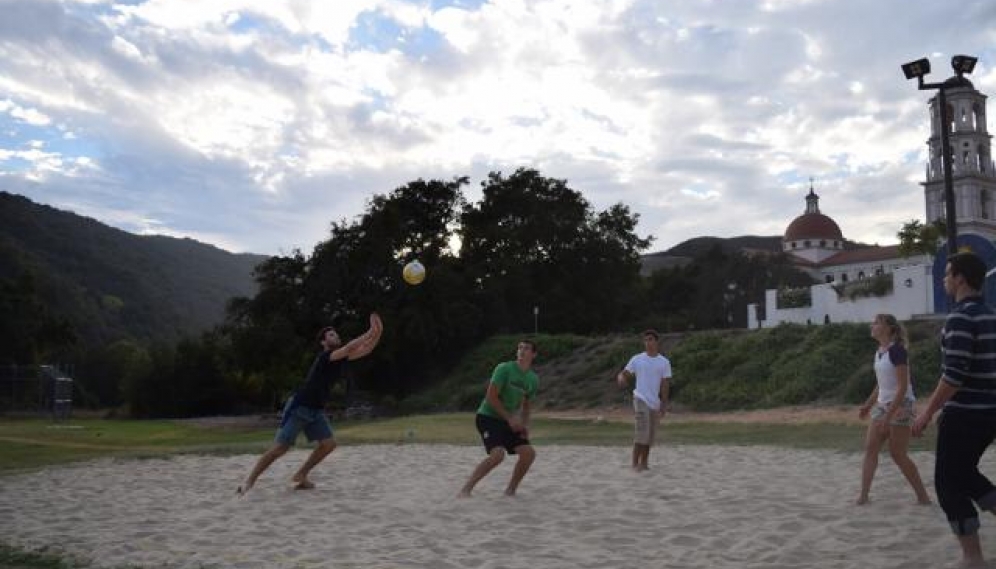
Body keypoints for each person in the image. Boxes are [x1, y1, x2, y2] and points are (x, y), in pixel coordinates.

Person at [237, 313, 383, 496]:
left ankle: (300, 475)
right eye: (331, 335)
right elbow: (350, 347)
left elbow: (366, 350)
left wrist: (378, 333)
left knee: (328, 445)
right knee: (280, 449)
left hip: (316, 410)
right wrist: (370, 331)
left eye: (336, 334)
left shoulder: (340, 358)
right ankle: (249, 482)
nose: (335, 336)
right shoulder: (326, 356)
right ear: (323, 342)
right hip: (300, 407)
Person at [913, 251, 996, 568]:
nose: (944, 280)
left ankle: (972, 558)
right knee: (964, 476)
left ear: (961, 278)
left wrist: (927, 412)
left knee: (948, 485)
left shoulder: (961, 318)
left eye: (947, 274)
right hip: (988, 413)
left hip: (966, 413)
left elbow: (954, 376)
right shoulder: (990, 314)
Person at [855, 313, 931, 505]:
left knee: (897, 454)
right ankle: (863, 496)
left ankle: (923, 496)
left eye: (876, 323)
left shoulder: (897, 351)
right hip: (882, 405)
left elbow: (903, 386)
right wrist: (868, 405)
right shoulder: (879, 351)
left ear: (888, 328)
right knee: (870, 448)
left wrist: (888, 417)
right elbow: (881, 385)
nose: (872, 325)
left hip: (901, 404)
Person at [459, 340, 539, 497]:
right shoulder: (504, 369)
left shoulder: (533, 379)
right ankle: (466, 489)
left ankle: (510, 491)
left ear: (534, 354)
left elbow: (527, 405)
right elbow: (490, 397)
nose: (522, 350)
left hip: (508, 421)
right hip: (487, 417)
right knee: (498, 455)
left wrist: (525, 425)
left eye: (527, 348)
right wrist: (510, 418)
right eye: (520, 347)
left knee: (529, 453)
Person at [617, 329, 671, 472]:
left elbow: (665, 384)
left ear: (656, 342)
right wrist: (621, 378)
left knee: (650, 436)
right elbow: (625, 373)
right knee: (642, 431)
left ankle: (644, 463)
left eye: (651, 339)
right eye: (646, 340)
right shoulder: (637, 359)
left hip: (655, 402)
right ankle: (635, 464)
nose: (648, 343)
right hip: (640, 398)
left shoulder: (664, 362)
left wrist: (664, 404)